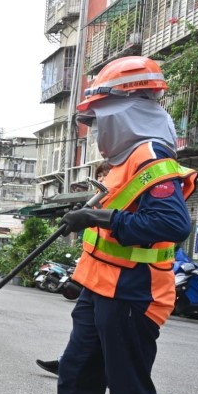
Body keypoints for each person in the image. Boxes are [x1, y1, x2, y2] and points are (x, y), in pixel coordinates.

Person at [19, 56, 198, 394]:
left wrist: (97, 217)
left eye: (100, 119)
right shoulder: (122, 162)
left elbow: (172, 223)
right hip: (101, 291)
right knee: (78, 374)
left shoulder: (153, 158)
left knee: (128, 388)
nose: (96, 131)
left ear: (124, 113)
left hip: (135, 295)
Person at [35, 161, 114, 378]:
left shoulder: (112, 209)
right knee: (83, 329)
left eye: (106, 175)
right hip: (91, 281)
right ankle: (68, 364)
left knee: (106, 343)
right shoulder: (95, 206)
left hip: (113, 286)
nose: (103, 180)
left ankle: (80, 368)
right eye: (100, 176)